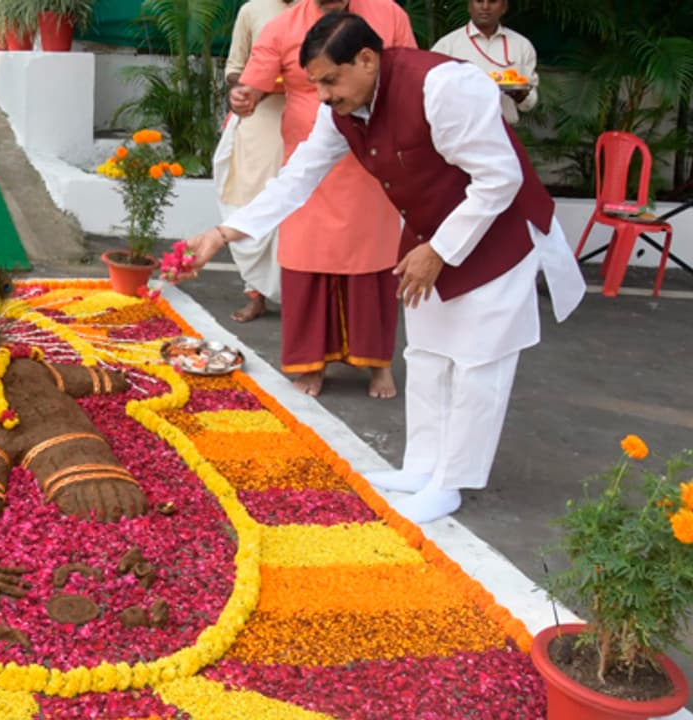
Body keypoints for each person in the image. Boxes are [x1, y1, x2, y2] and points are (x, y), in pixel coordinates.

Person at [177, 12, 585, 524]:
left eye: (330, 80)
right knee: (430, 355)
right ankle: (421, 468)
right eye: (316, 84)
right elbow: (297, 179)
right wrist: (223, 232)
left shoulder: (443, 87)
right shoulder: (342, 109)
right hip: (431, 238)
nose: (322, 95)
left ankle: (451, 482)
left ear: (367, 60)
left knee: (478, 364)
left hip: (499, 236)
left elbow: (499, 178)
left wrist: (440, 249)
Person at [230, 0, 415, 399]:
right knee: (305, 263)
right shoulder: (282, 26)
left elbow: (406, 75)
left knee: (373, 263)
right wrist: (245, 97)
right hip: (307, 159)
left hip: (372, 158)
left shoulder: (390, 13)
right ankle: (310, 364)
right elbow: (254, 83)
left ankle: (378, 365)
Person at [212, 0, 295, 323]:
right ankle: (255, 296)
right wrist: (242, 90)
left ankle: (299, 301)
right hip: (260, 120)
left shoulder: (322, 8)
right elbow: (235, 68)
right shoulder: (252, 9)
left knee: (295, 213)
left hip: (306, 121)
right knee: (250, 206)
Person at [431, 0, 538, 125]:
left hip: (505, 131)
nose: (485, 7)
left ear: (504, 7)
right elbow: (432, 93)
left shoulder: (521, 45)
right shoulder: (447, 46)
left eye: (492, 1)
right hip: (460, 131)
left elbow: (529, 103)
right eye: (479, 1)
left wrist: (521, 95)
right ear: (469, 6)